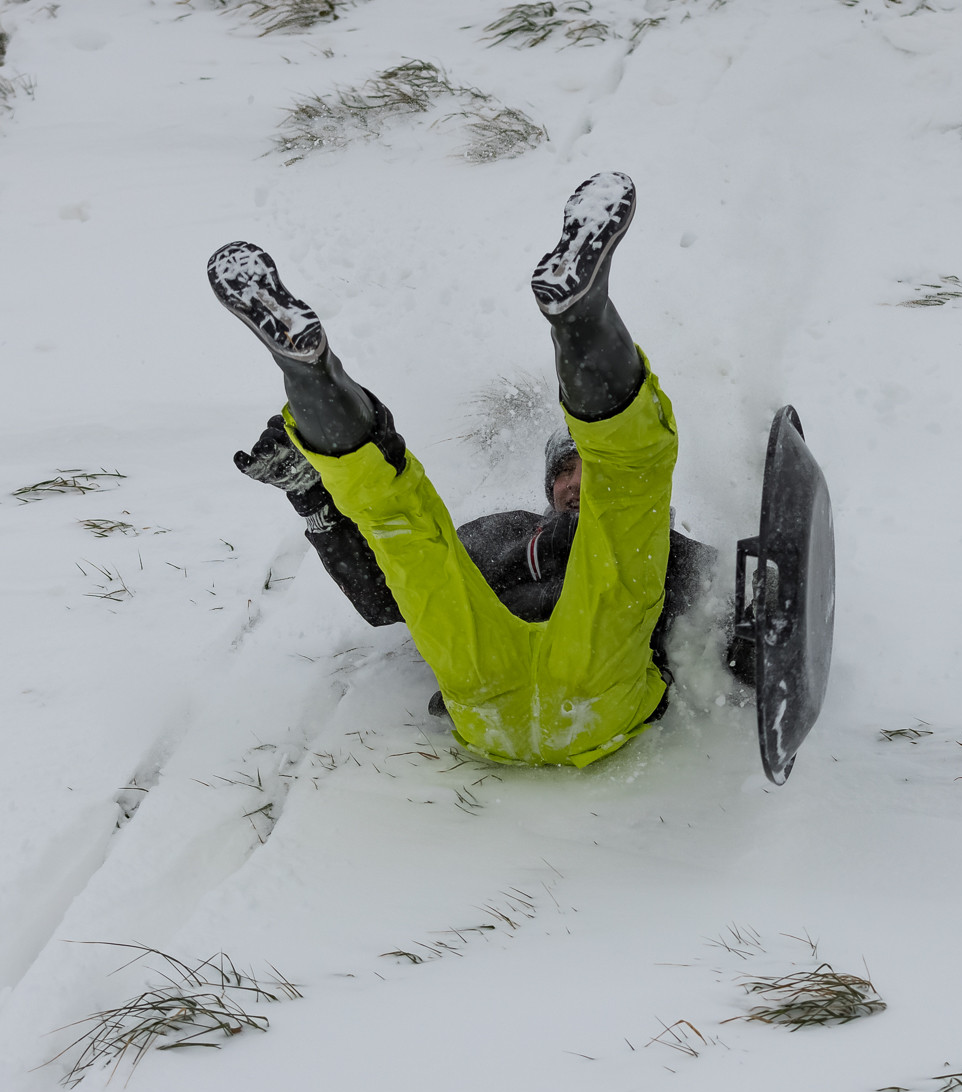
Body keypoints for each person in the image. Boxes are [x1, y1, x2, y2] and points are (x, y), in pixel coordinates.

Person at [208, 171, 705, 767]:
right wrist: (314, 498)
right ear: (547, 487)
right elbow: (388, 595)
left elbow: (746, 606)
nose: (576, 482)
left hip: (571, 684)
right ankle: (309, 369)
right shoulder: (505, 531)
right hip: (505, 688)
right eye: (565, 471)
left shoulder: (665, 549)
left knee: (622, 495)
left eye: (585, 468)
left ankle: (581, 316)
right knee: (404, 525)